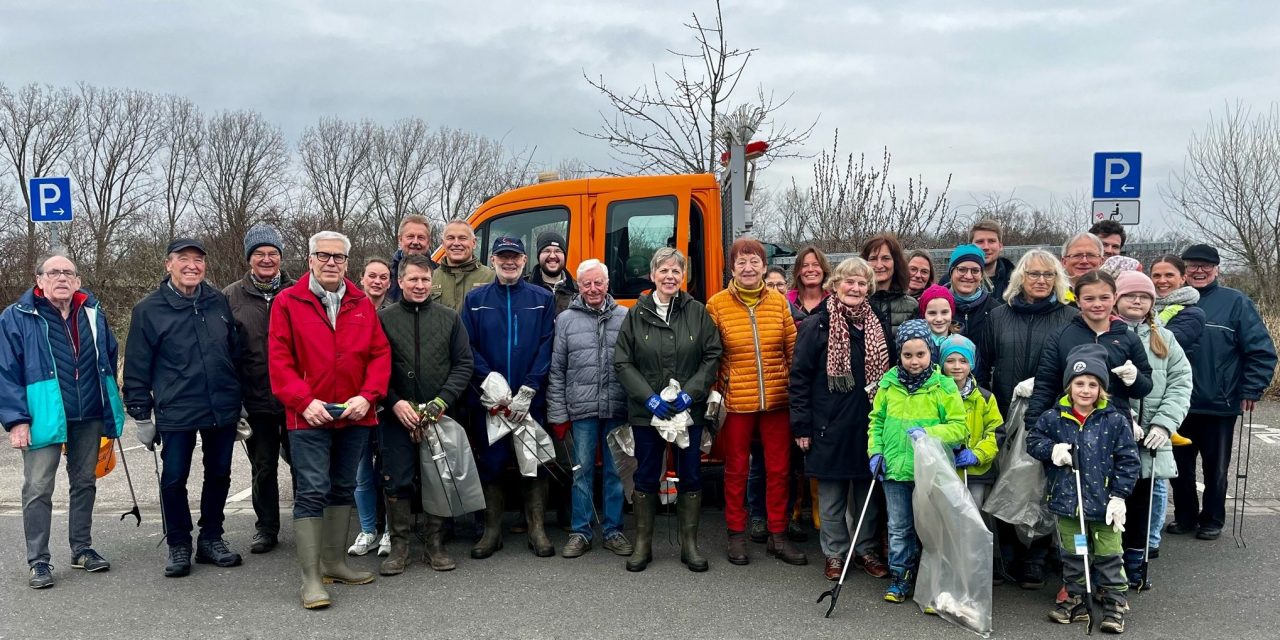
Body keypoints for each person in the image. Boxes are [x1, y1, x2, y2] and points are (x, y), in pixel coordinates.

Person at [269, 230, 392, 609]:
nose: (331, 263)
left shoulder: (360, 302)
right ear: (310, 259)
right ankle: (310, 578)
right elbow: (279, 360)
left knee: (342, 488)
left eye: (338, 257)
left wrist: (367, 397)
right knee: (311, 491)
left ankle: (335, 562)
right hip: (308, 417)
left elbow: (379, 354)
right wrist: (303, 402)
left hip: (355, 414)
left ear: (346, 263)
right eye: (323, 256)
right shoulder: (288, 302)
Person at [1, 254, 124, 589]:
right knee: (38, 487)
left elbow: (109, 357)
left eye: (68, 273)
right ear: (39, 280)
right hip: (42, 414)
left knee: (85, 481)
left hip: (89, 413)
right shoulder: (17, 316)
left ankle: (81, 549)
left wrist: (111, 402)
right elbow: (6, 372)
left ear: (78, 281)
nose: (61, 278)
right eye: (53, 272)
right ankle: (39, 561)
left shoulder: (93, 313)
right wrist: (16, 420)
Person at [123, 238, 243, 578]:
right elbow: (136, 365)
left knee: (219, 474)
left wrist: (241, 400)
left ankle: (211, 538)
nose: (192, 266)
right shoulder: (149, 309)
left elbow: (233, 353)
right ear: (168, 265)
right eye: (183, 259)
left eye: (198, 260)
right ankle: (178, 542)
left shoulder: (217, 301)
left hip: (221, 404)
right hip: (176, 407)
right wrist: (140, 413)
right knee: (174, 478)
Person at [615, 247, 723, 572]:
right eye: (663, 271)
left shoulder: (698, 312)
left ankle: (689, 545)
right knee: (646, 476)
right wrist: (649, 398)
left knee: (690, 474)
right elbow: (622, 361)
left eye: (676, 271)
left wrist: (690, 395)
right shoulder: (636, 314)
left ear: (683, 277)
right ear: (652, 276)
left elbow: (712, 354)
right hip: (647, 413)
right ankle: (643, 544)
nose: (670, 276)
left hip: (687, 412)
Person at [789, 257, 891, 581]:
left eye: (862, 283)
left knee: (867, 496)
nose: (855, 288)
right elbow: (800, 378)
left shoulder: (877, 324)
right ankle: (835, 553)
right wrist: (802, 426)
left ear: (869, 288)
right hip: (827, 425)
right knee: (831, 498)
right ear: (836, 285)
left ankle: (866, 551)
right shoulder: (816, 325)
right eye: (849, 281)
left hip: (868, 423)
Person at [1027, 343, 1139, 634]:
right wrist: (1053, 450)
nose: (1085, 390)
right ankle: (1077, 598)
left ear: (1101, 389)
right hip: (1068, 505)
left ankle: (1114, 603)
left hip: (1104, 506)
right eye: (1079, 383)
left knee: (1108, 555)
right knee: (1075, 554)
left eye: (1092, 384)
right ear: (1069, 386)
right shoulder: (1054, 417)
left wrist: (1119, 496)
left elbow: (1129, 460)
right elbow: (1034, 441)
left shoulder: (1114, 420)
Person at [1169, 244, 1277, 541]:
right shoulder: (1169, 303)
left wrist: (1252, 388)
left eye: (1206, 266)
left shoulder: (1235, 302)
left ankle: (1213, 519)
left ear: (1217, 269)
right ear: (1185, 270)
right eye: (1192, 266)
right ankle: (1185, 516)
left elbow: (1261, 351)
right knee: (1178, 467)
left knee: (1216, 469)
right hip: (1177, 404)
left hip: (1220, 403)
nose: (1199, 271)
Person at [708, 238, 804, 567]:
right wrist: (718, 392)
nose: (748, 268)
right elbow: (713, 356)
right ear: (731, 268)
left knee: (779, 470)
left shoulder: (779, 303)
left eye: (754, 262)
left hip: (777, 400)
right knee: (736, 471)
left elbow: (793, 350)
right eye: (741, 263)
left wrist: (795, 389)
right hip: (736, 402)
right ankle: (736, 534)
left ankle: (778, 536)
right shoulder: (716, 305)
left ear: (764, 267)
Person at [461, 236, 557, 559]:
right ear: (492, 260)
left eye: (515, 256)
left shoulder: (542, 298)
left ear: (524, 259)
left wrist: (530, 388)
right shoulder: (475, 300)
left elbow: (547, 345)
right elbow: (467, 346)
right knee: (492, 463)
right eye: (503, 256)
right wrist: (488, 381)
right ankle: (492, 531)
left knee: (535, 462)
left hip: (530, 399)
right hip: (490, 402)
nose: (509, 262)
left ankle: (537, 529)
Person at [376, 254, 473, 574]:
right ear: (400, 282)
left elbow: (463, 364)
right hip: (396, 416)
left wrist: (441, 402)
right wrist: (394, 402)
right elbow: (373, 367)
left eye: (425, 279)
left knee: (438, 479)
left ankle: (435, 544)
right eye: (413, 279)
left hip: (439, 415)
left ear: (433, 283)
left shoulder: (449, 318)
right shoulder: (383, 318)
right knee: (397, 480)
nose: (420, 285)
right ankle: (400, 547)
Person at [868, 319, 967, 603]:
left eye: (920, 354)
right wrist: (875, 451)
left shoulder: (944, 387)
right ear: (899, 354)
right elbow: (876, 421)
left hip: (929, 472)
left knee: (931, 527)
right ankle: (901, 576)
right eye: (907, 355)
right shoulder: (888, 384)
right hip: (895, 469)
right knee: (898, 527)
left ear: (931, 354)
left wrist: (929, 433)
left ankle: (933, 578)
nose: (914, 361)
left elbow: (958, 428)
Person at [546, 259, 633, 559]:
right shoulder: (567, 319)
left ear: (607, 284)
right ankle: (580, 532)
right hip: (580, 410)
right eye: (587, 283)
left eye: (598, 282)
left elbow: (635, 366)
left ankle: (613, 530)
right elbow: (557, 370)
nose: (593, 289)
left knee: (615, 472)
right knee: (581, 472)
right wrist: (558, 414)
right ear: (579, 286)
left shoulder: (626, 316)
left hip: (617, 408)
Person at [1112, 271, 1191, 590]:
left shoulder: (1164, 338)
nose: (1137, 301)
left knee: (1142, 507)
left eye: (1144, 297)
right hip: (1116, 436)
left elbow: (1181, 382)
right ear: (1117, 298)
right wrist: (1123, 417)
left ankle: (1136, 564)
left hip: (1151, 441)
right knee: (1113, 504)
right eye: (1131, 295)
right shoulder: (1108, 334)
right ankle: (1109, 564)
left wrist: (1164, 423)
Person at [223, 225, 296, 555]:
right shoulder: (231, 296)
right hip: (255, 399)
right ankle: (266, 527)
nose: (267, 259)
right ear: (249, 258)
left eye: (273, 253)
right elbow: (224, 349)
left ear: (281, 257)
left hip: (297, 398)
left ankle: (309, 524)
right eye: (259, 254)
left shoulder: (300, 291)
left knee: (303, 463)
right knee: (263, 466)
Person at [1026, 270, 1153, 432]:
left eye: (1104, 298)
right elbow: (1046, 384)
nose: (1097, 304)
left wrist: (1135, 378)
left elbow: (1144, 388)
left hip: (1115, 429)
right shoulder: (1060, 337)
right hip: (1067, 425)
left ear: (1115, 297)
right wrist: (1033, 426)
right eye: (1089, 299)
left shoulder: (1129, 338)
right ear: (1077, 301)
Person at [978, 249, 1079, 415]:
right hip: (1003, 412)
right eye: (1034, 274)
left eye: (1048, 274)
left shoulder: (1070, 318)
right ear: (1021, 276)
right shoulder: (998, 316)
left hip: (1052, 414)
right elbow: (983, 366)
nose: (1042, 280)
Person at [349, 256, 393, 558]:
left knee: (389, 472)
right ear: (361, 278)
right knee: (362, 473)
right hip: (355, 405)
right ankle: (367, 530)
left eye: (383, 277)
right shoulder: (348, 311)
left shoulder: (393, 315)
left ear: (390, 283)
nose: (377, 281)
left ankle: (390, 531)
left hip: (386, 405)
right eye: (372, 276)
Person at [938, 335, 1000, 507]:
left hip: (975, 473)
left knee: (972, 518)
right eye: (950, 360)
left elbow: (995, 433)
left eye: (963, 361)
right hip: (944, 471)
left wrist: (977, 454)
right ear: (942, 363)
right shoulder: (935, 396)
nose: (957, 366)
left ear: (971, 364)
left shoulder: (985, 397)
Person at [861, 234, 917, 358]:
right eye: (873, 258)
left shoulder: (911, 306)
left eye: (886, 258)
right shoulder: (856, 304)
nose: (879, 265)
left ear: (895, 263)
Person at [433, 219, 495, 312]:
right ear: (443, 244)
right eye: (451, 238)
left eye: (462, 238)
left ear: (473, 243)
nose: (456, 243)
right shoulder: (430, 278)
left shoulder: (492, 278)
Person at [945, 244, 999, 341]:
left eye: (975, 270)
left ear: (981, 275)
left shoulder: (995, 310)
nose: (968, 276)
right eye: (962, 270)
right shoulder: (935, 305)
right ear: (951, 272)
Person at [526, 231, 577, 314]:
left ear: (564, 256)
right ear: (538, 256)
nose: (552, 256)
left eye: (558, 251)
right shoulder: (524, 289)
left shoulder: (578, 291)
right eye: (547, 251)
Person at [387, 214, 435, 302]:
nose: (415, 242)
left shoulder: (438, 272)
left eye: (421, 237)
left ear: (429, 241)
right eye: (410, 236)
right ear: (400, 240)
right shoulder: (387, 274)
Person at [787, 245, 832, 320]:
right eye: (805, 265)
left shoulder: (834, 301)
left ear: (824, 269)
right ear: (798, 271)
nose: (810, 269)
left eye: (816, 265)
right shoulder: (787, 301)